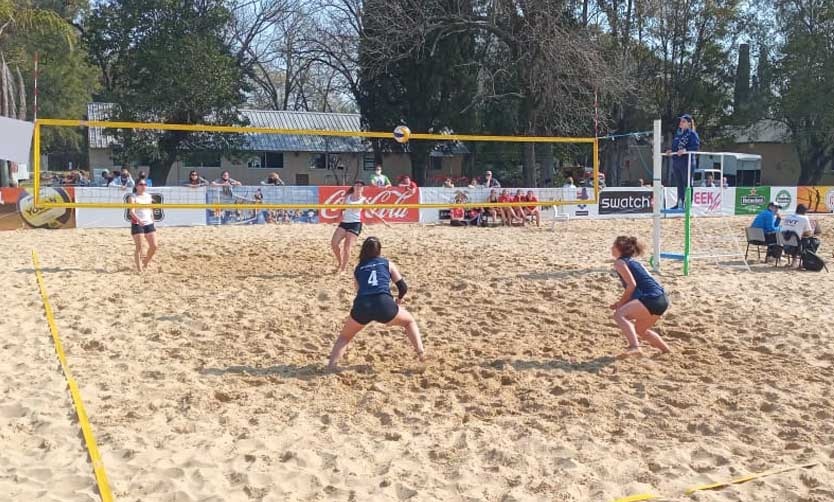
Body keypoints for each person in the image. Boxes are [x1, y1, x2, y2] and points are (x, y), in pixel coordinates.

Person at [327, 237, 425, 369]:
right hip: (384, 304)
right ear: (379, 251)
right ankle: (421, 354)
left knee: (344, 337)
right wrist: (399, 300)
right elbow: (403, 287)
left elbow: (359, 291)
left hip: (363, 305)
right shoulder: (387, 263)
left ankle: (331, 366)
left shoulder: (358, 268)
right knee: (409, 322)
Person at [610, 236, 671, 358]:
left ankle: (635, 347)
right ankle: (666, 350)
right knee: (641, 330)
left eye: (613, 246)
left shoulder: (620, 263)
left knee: (619, 315)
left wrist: (621, 304)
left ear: (618, 248)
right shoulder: (635, 262)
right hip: (662, 299)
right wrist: (621, 302)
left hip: (651, 298)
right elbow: (645, 284)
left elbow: (632, 285)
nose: (611, 248)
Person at [331, 181, 366, 274]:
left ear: (363, 188)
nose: (358, 187)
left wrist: (383, 221)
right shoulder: (347, 197)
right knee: (334, 243)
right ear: (353, 187)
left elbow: (372, 211)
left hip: (355, 223)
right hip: (344, 223)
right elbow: (342, 208)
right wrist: (338, 216)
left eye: (360, 186)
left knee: (347, 247)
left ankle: (343, 269)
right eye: (357, 185)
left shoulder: (363, 200)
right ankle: (340, 263)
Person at [667, 114, 700, 208]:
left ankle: (688, 204)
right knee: (679, 183)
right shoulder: (678, 134)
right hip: (677, 162)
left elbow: (695, 147)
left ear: (689, 123)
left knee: (688, 183)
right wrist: (670, 151)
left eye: (683, 121)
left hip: (687, 162)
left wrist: (685, 150)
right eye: (680, 121)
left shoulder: (692, 134)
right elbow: (675, 148)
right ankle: (679, 203)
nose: (681, 123)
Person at [128, 179, 158, 273]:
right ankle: (139, 269)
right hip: (137, 223)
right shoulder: (132, 197)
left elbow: (150, 209)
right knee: (139, 247)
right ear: (136, 186)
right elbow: (131, 212)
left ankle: (145, 262)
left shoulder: (148, 196)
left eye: (145, 184)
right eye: (141, 184)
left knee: (154, 246)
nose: (143, 186)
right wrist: (139, 220)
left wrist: (153, 220)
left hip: (148, 223)